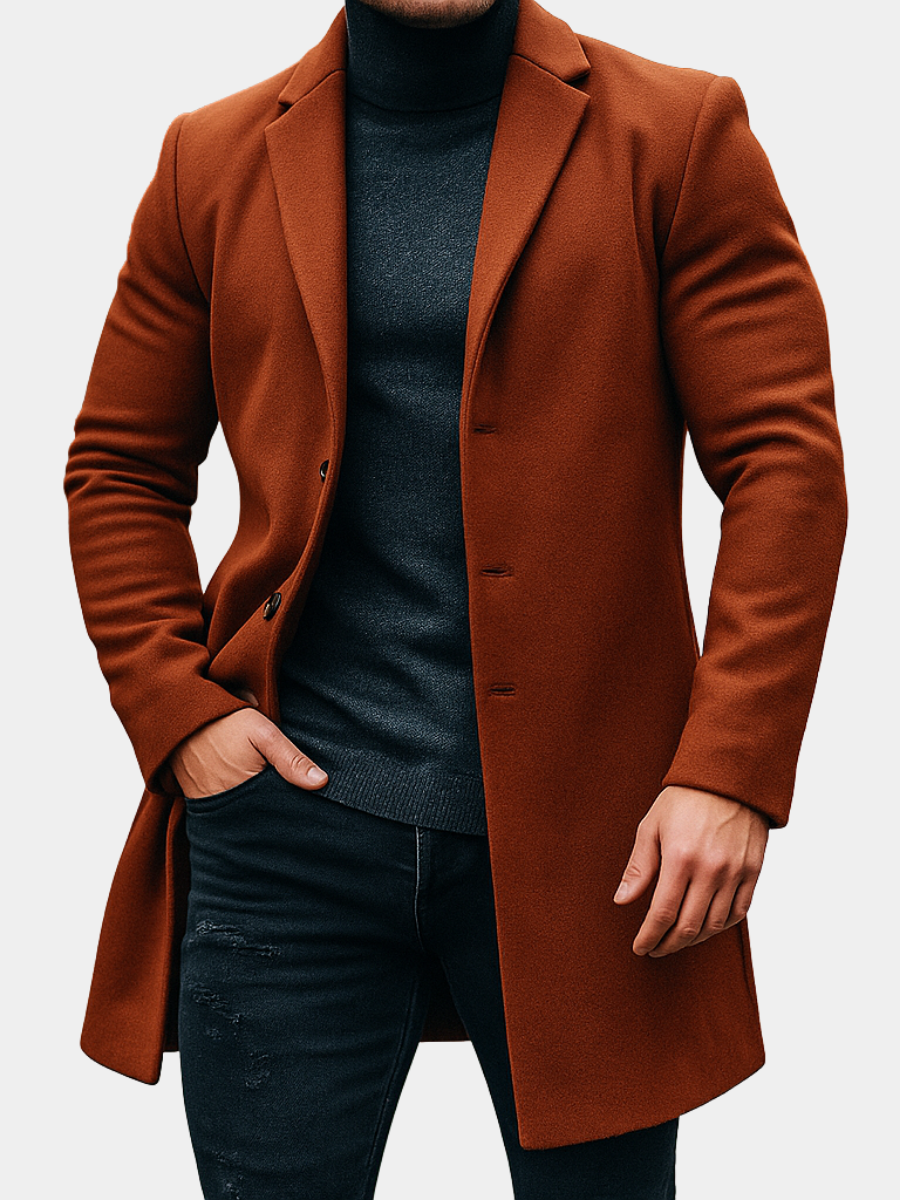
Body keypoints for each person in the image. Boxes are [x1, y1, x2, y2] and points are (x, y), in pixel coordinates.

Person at [63, 0, 848, 1196]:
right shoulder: (207, 159)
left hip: (601, 840)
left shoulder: (678, 133)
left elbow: (783, 460)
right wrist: (179, 714)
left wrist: (730, 768)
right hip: (289, 832)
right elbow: (121, 465)